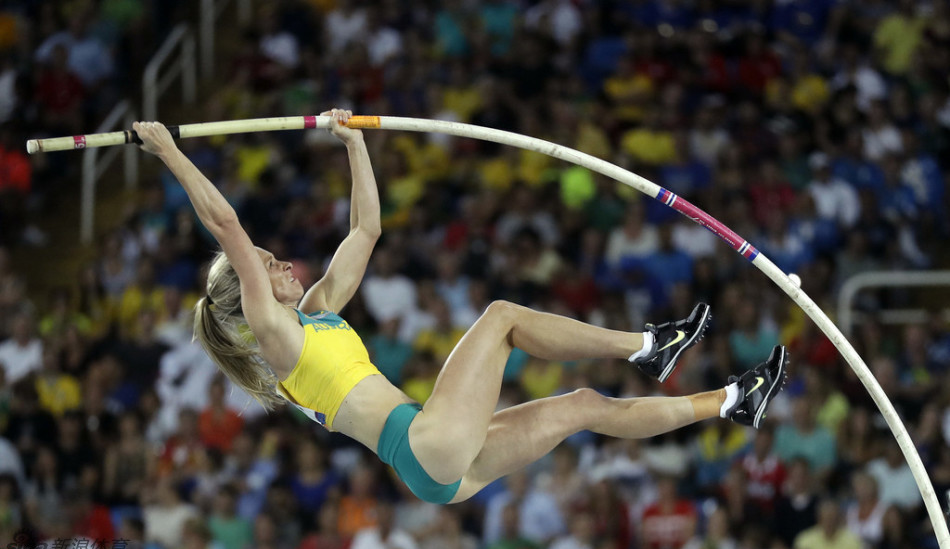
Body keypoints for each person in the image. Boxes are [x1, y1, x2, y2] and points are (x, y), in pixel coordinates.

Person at [132, 109, 788, 505]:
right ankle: (648, 346)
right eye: (267, 263)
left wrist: (354, 143)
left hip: (440, 465)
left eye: (275, 259)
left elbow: (365, 232)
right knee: (501, 314)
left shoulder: (317, 309)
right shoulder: (276, 334)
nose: (278, 263)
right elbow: (224, 225)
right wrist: (168, 150)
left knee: (583, 405)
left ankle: (731, 401)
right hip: (426, 443)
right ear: (246, 299)